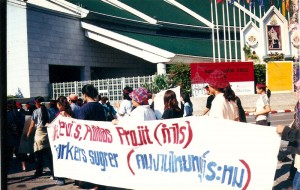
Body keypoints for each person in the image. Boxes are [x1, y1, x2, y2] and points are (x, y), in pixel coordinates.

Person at [77, 84, 106, 189]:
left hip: (88, 139)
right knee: (98, 161)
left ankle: (90, 183)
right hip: (101, 137)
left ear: (84, 95)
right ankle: (98, 184)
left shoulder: (84, 108)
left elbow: (80, 125)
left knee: (89, 161)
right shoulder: (100, 106)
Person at [26, 96, 54, 178]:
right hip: (47, 133)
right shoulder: (49, 111)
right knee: (47, 155)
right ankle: (53, 172)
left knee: (38, 155)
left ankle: (39, 171)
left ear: (37, 103)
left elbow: (31, 125)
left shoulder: (36, 112)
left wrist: (28, 135)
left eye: (35, 103)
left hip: (39, 134)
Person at [6, 100, 25, 172]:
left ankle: (8, 167)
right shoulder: (20, 113)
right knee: (20, 151)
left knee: (9, 152)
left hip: (10, 135)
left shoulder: (7, 114)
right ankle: (23, 165)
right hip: (19, 134)